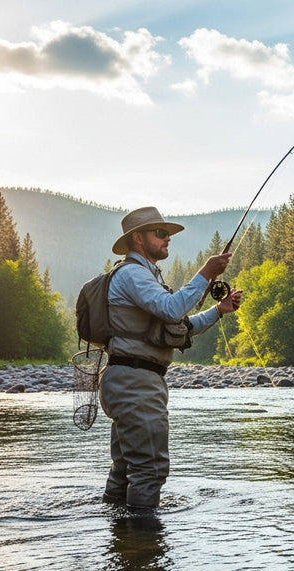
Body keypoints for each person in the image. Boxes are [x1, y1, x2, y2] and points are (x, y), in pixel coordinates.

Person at [100, 206, 243, 513]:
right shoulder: (133, 275)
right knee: (149, 471)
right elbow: (171, 309)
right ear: (138, 239)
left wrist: (220, 310)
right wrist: (205, 273)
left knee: (125, 473)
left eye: (167, 234)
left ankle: (120, 542)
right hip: (135, 383)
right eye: (160, 233)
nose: (167, 239)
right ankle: (143, 550)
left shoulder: (144, 276)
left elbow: (181, 326)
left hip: (131, 382)